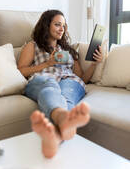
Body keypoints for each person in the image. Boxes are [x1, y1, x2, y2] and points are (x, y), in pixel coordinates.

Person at [18, 10, 103, 158]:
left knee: (68, 95)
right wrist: (47, 63)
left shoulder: (69, 50)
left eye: (63, 26)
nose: (61, 29)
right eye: (57, 24)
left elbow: (82, 78)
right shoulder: (32, 46)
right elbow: (21, 71)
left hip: (69, 81)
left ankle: (56, 136)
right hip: (43, 79)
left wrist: (95, 64)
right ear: (46, 25)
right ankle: (61, 117)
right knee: (50, 84)